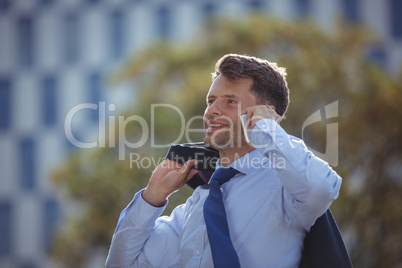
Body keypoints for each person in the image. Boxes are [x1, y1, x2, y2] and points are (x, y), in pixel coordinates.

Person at [105, 54, 342, 267]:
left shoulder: (287, 189)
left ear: (267, 115)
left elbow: (322, 188)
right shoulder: (196, 205)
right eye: (210, 101)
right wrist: (151, 199)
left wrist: (266, 129)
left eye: (230, 101)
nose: (211, 111)